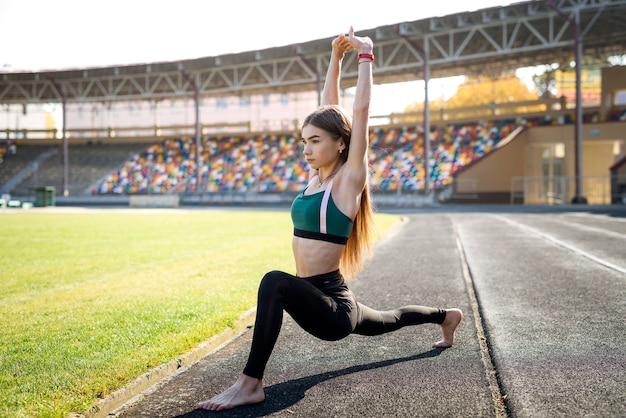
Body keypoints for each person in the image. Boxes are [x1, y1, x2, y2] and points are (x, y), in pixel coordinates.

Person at [198, 26, 463, 412]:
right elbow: (330, 108)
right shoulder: (316, 178)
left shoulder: (348, 181)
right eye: (303, 141)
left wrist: (366, 55)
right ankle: (447, 316)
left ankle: (249, 384)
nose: (306, 149)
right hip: (323, 298)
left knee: (274, 282)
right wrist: (335, 59)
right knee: (389, 319)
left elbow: (357, 112)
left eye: (315, 141)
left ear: (341, 143)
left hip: (332, 309)